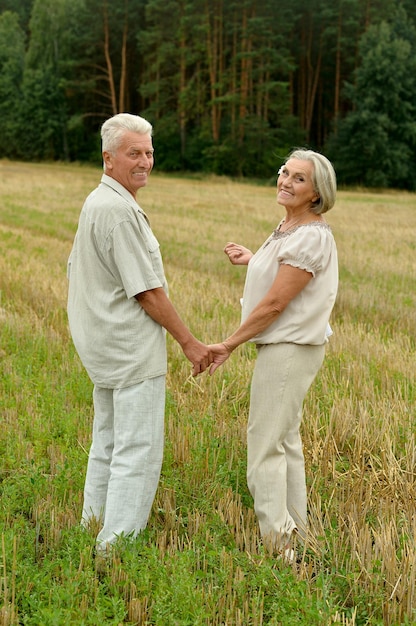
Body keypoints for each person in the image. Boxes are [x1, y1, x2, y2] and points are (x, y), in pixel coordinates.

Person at [67, 113, 212, 556]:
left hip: (105, 347)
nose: (145, 161)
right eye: (135, 153)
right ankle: (116, 547)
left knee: (107, 442)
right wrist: (190, 342)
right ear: (108, 159)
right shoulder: (118, 211)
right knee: (138, 449)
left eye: (149, 152)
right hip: (129, 350)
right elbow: (148, 292)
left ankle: (92, 524)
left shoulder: (98, 201)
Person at [208, 148, 338, 557]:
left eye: (299, 178)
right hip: (288, 349)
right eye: (284, 172)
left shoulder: (310, 236)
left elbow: (275, 305)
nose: (285, 180)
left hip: (289, 351)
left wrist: (229, 343)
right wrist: (253, 259)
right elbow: (280, 272)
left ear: (316, 193)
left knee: (264, 444)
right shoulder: (288, 227)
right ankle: (298, 531)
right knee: (285, 440)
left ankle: (279, 546)